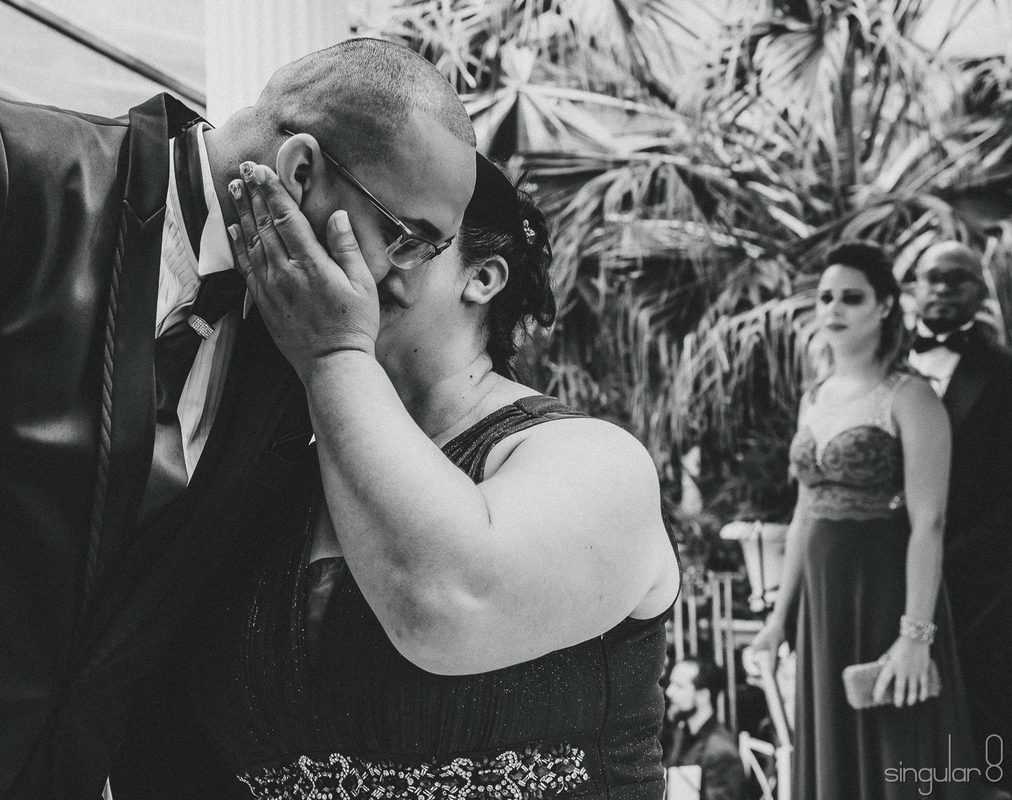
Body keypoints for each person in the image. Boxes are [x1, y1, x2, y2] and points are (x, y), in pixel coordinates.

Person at [0, 39, 476, 799]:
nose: (401, 282)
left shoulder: (296, 349)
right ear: (300, 172)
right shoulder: (3, 170)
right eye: (407, 238)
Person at [111, 155, 683, 798]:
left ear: (484, 276)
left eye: (401, 239)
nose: (349, 256)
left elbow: (450, 603)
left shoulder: (591, 460)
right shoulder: (271, 482)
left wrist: (334, 354)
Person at [746, 241, 978, 799]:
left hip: (886, 595)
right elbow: (804, 511)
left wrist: (915, 637)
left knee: (895, 749)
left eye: (851, 297)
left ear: (885, 307)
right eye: (826, 297)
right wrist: (780, 619)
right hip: (821, 606)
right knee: (831, 751)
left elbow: (931, 523)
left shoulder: (913, 397)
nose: (834, 309)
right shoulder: (815, 397)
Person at [909, 241, 1012, 791]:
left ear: (980, 291)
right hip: (891, 566)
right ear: (913, 289)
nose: (944, 288)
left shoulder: (1004, 372)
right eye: (933, 278)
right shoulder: (880, 364)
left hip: (982, 580)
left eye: (958, 279)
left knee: (979, 712)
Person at [663, 659, 746, 800]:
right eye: (671, 683)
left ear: (703, 695)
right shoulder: (680, 735)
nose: (669, 692)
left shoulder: (721, 751)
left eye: (679, 686)